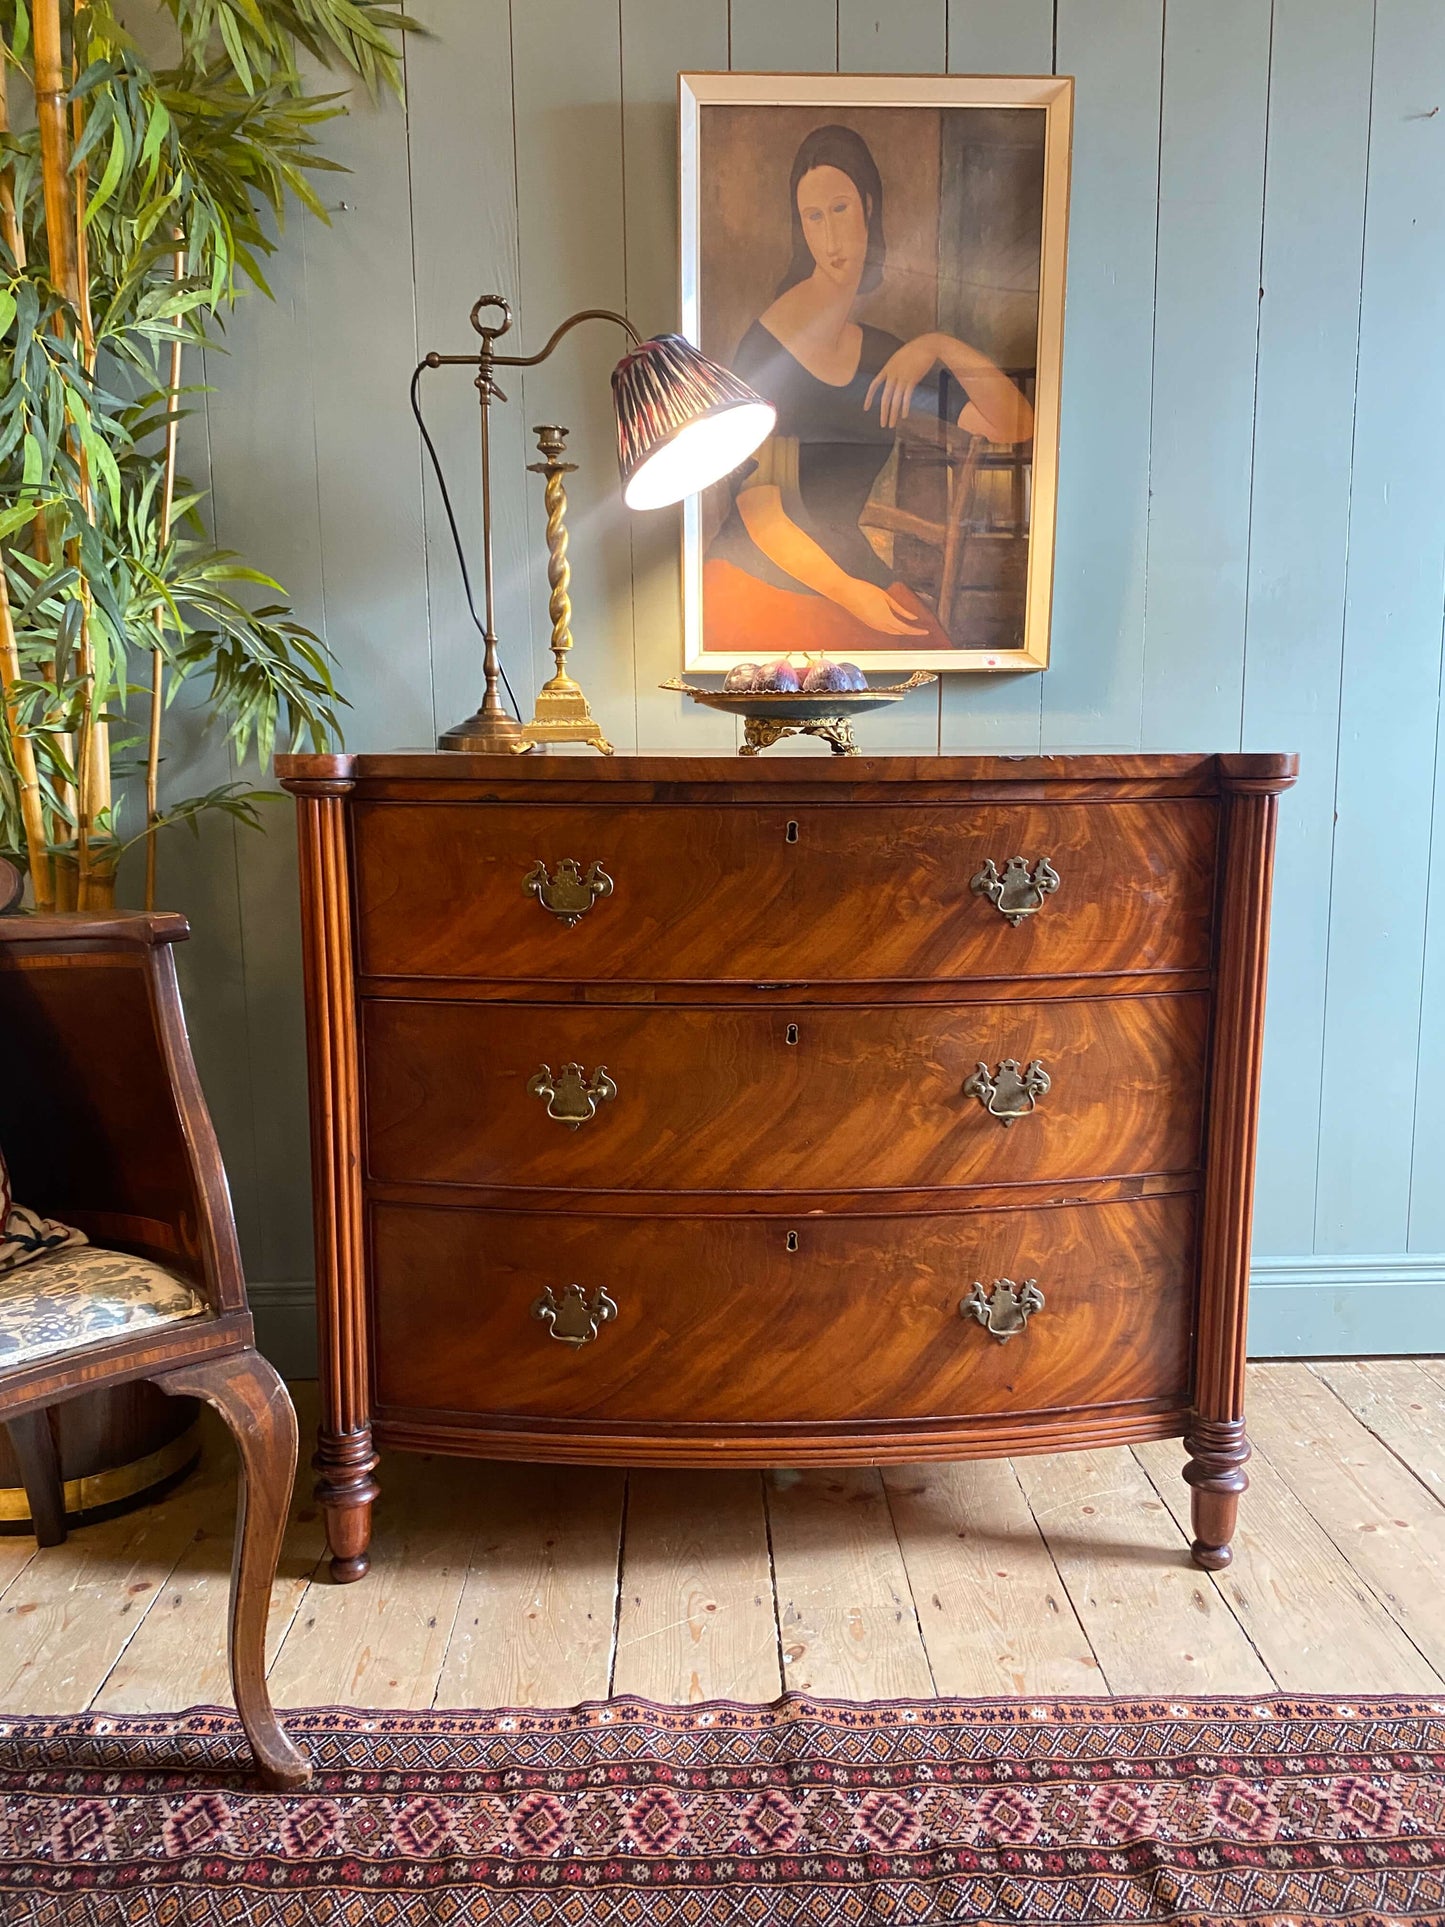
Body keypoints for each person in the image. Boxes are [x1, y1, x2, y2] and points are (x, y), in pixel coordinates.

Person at [704, 123, 1033, 655]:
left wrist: (940, 344)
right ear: (800, 229)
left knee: (938, 666)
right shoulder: (768, 350)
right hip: (758, 574)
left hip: (848, 569)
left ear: (868, 208)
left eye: (841, 209)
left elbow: (1016, 425)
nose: (831, 238)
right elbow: (762, 513)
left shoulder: (885, 357)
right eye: (814, 217)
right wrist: (852, 596)